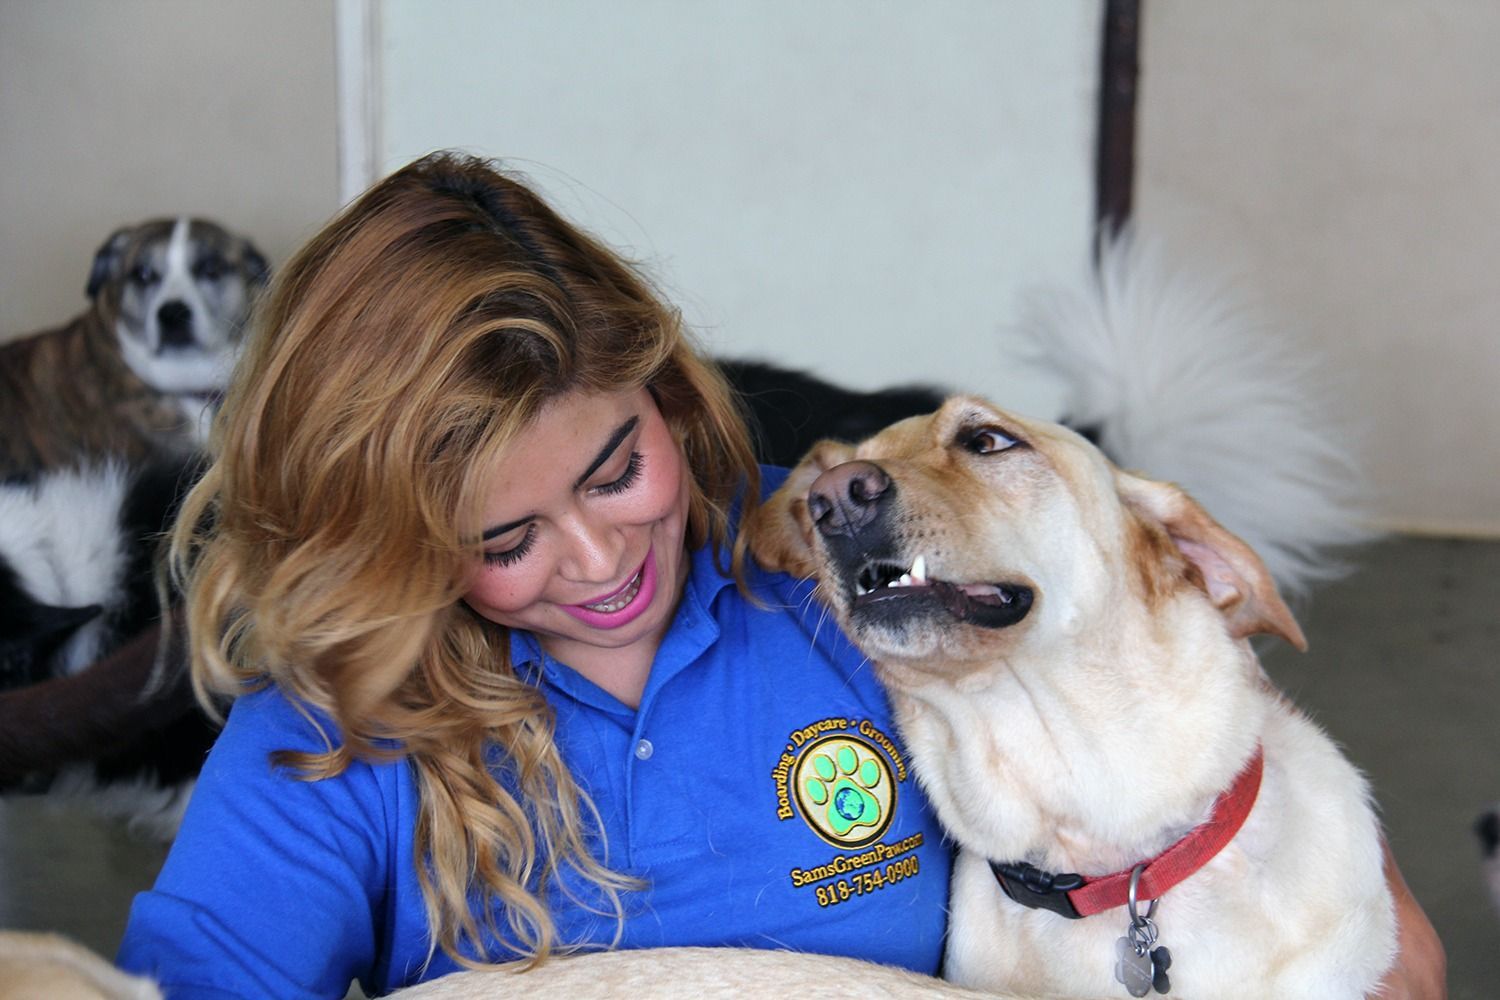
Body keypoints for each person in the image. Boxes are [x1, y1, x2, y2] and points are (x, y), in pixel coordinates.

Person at [116, 152, 1443, 998]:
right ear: (388, 549)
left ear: (659, 388)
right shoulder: (339, 729)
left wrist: (1352, 938)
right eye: (501, 543)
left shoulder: (842, 570)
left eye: (613, 470)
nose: (596, 562)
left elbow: (1235, 813)